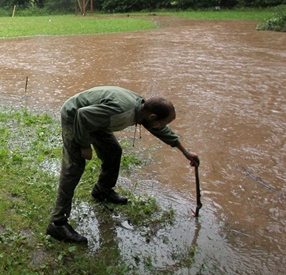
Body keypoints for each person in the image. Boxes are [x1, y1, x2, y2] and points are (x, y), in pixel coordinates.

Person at [46, 86, 200, 243]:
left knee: (113, 151)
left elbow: (159, 130)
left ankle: (102, 190)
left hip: (95, 118)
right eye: (162, 123)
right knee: (74, 167)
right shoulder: (122, 112)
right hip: (75, 116)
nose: (162, 126)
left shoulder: (143, 110)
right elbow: (82, 115)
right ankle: (57, 223)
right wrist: (84, 146)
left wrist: (185, 152)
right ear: (152, 116)